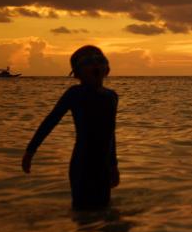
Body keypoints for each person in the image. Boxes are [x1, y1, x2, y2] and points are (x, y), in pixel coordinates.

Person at [22, 45, 119, 210]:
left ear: (107, 68)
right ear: (77, 73)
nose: (95, 65)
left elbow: (110, 134)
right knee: (82, 213)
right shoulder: (75, 93)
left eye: (100, 60)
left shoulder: (111, 97)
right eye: (88, 62)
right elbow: (51, 120)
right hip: (82, 164)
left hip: (103, 166)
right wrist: (31, 151)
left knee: (105, 214)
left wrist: (113, 165)